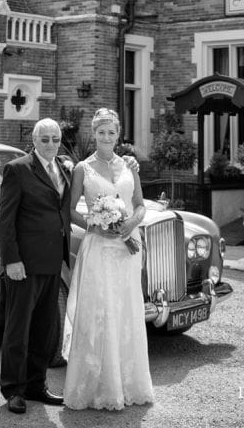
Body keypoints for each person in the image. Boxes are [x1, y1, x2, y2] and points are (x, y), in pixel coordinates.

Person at [62, 107, 154, 410]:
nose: (106, 137)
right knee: (100, 313)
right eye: (101, 132)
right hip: (99, 249)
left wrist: (130, 224)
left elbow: (139, 205)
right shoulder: (82, 168)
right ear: (94, 133)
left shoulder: (129, 166)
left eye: (111, 132)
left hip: (128, 249)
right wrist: (96, 225)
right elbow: (70, 210)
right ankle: (99, 387)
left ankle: (130, 385)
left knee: (126, 311)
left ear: (118, 134)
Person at [0, 118, 69, 414]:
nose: (50, 144)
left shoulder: (64, 168)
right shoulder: (18, 169)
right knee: (19, 328)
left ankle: (37, 385)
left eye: (55, 139)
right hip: (24, 264)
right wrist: (11, 260)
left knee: (44, 328)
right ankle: (13, 389)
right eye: (45, 139)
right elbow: (5, 219)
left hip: (52, 261)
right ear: (35, 141)